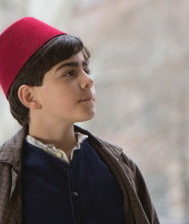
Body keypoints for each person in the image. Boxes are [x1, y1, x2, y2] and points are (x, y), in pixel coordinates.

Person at [0, 17, 160, 223]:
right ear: (30, 96)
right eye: (69, 73)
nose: (88, 80)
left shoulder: (121, 165)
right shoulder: (4, 177)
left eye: (86, 70)